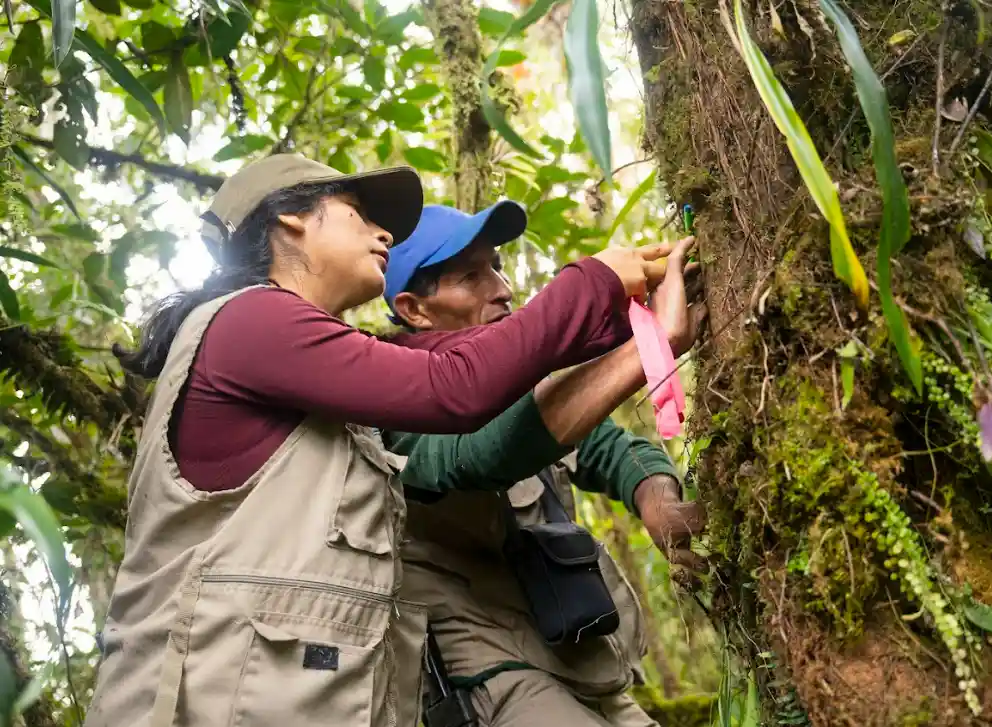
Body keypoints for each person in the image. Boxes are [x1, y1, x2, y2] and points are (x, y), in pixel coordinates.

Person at [84, 155, 681, 727]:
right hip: (210, 696)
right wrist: (596, 280)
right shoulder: (249, 320)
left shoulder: (318, 359)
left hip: (277, 690)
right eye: (358, 213)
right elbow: (454, 386)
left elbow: (473, 361)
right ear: (291, 220)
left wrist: (637, 327)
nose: (382, 234)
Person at [381, 201, 708, 727]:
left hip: (579, 655)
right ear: (414, 309)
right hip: (488, 670)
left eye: (497, 266)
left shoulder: (522, 381)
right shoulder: (392, 386)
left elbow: (608, 447)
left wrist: (657, 499)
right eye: (471, 276)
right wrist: (647, 348)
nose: (503, 289)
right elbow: (478, 455)